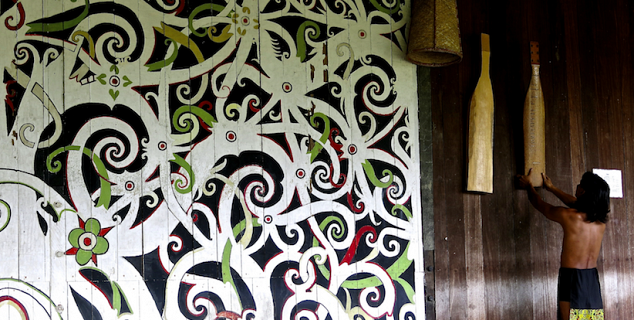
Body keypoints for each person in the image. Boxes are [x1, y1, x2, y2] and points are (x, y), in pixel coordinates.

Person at [517, 169, 609, 320]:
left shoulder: (569, 216)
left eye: (580, 185)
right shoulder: (600, 221)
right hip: (591, 280)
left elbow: (540, 204)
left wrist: (529, 186)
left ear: (582, 191)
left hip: (572, 277)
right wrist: (552, 188)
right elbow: (575, 202)